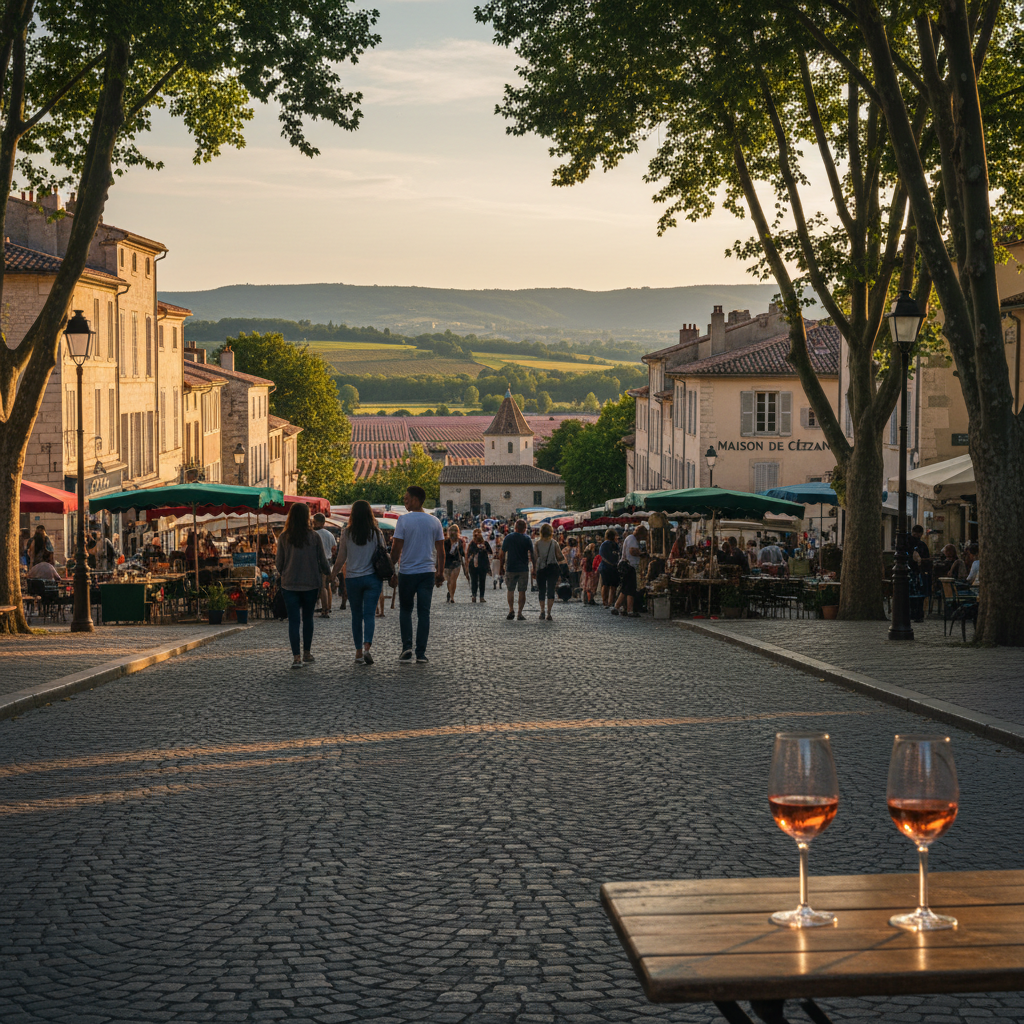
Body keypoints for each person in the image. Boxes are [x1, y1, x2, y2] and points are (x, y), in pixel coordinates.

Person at [390, 486, 445, 664]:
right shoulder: (434, 521)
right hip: (427, 573)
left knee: (405, 611)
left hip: (407, 572)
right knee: (424, 613)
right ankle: (421, 653)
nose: (404, 502)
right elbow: (441, 551)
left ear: (415, 500)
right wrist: (440, 572)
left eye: (406, 499)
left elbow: (396, 548)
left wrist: (392, 569)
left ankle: (407, 647)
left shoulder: (403, 520)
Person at [275, 501, 331, 669]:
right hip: (310, 584)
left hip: (290, 584)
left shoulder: (284, 537)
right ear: (307, 517)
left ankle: (296, 657)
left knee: (293, 621)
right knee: (307, 619)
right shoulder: (314, 537)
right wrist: (330, 575)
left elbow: (279, 563)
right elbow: (322, 560)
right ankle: (307, 652)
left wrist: (285, 571)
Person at [330, 500, 385, 666]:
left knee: (356, 616)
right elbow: (383, 555)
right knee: (369, 614)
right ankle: (367, 646)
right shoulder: (376, 533)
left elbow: (341, 558)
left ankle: (358, 653)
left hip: (353, 578)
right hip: (372, 578)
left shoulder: (347, 533)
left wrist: (332, 576)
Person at [500, 519, 536, 621]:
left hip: (511, 567)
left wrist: (501, 567)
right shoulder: (527, 539)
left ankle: (511, 610)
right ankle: (520, 613)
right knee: (522, 591)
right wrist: (534, 567)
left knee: (510, 590)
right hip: (523, 568)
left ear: (515, 527)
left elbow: (502, 553)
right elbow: (532, 554)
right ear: (525, 528)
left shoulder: (508, 538)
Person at [612, 524, 647, 617]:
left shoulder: (630, 538)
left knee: (625, 589)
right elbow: (632, 551)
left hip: (627, 566)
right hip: (629, 567)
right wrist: (642, 553)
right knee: (631, 589)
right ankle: (629, 610)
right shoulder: (632, 539)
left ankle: (616, 607)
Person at [533, 523, 566, 620]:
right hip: (552, 568)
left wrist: (534, 569)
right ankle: (549, 613)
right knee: (551, 589)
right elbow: (559, 556)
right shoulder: (554, 543)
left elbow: (535, 557)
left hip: (541, 568)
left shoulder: (537, 543)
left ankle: (542, 611)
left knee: (541, 590)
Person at [313, 512, 337, 618]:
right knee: (327, 586)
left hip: (317, 561)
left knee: (321, 586)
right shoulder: (329, 534)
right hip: (328, 560)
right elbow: (334, 549)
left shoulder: (313, 534)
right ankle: (328, 607)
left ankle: (324, 610)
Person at [466, 528, 493, 603]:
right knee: (474, 581)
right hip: (473, 565)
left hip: (483, 565)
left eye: (478, 532)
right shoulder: (472, 544)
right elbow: (468, 554)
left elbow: (490, 552)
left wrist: (484, 549)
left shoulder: (485, 543)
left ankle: (481, 597)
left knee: (482, 581)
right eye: (476, 533)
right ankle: (474, 595)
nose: (477, 534)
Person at [443, 524, 467, 603]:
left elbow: (462, 552)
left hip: (456, 562)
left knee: (453, 580)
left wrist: (466, 556)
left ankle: (452, 597)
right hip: (447, 562)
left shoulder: (459, 541)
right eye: (452, 530)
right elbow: (444, 552)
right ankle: (449, 592)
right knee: (449, 581)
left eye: (455, 530)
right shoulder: (446, 541)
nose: (453, 532)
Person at [598, 528, 620, 607]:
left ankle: (610, 602)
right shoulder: (605, 544)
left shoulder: (615, 544)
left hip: (612, 567)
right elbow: (602, 557)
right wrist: (611, 563)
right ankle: (606, 602)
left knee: (611, 585)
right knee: (607, 585)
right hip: (606, 567)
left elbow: (617, 555)